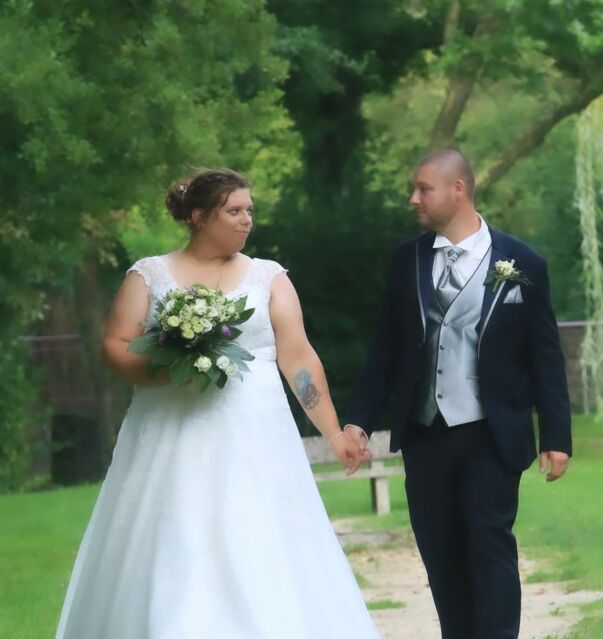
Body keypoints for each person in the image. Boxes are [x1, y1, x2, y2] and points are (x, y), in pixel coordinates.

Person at [55, 168, 379, 639]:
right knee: (176, 540)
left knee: (260, 539)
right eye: (234, 211)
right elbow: (115, 344)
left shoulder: (269, 277)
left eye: (249, 210)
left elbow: (298, 357)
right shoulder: (150, 274)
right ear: (198, 216)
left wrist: (332, 432)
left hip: (257, 438)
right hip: (170, 433)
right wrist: (165, 370)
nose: (247, 220)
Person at [344, 149, 572, 639]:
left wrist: (557, 435)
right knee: (440, 552)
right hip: (425, 432)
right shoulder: (406, 259)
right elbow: (385, 349)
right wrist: (359, 419)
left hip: (493, 432)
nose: (413, 198)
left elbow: (545, 355)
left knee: (489, 546)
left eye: (423, 189)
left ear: (458, 189)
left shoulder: (522, 262)